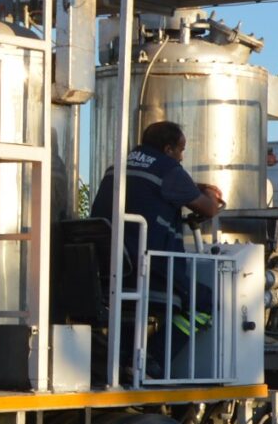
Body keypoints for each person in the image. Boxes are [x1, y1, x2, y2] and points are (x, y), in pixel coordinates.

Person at [95, 121, 226, 374]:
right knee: (205, 302)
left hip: (110, 271)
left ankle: (121, 356)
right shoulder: (168, 169)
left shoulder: (117, 167)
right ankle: (152, 359)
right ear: (168, 149)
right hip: (151, 270)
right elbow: (208, 209)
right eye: (181, 150)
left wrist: (193, 185)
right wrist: (210, 194)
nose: (182, 157)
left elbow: (157, 187)